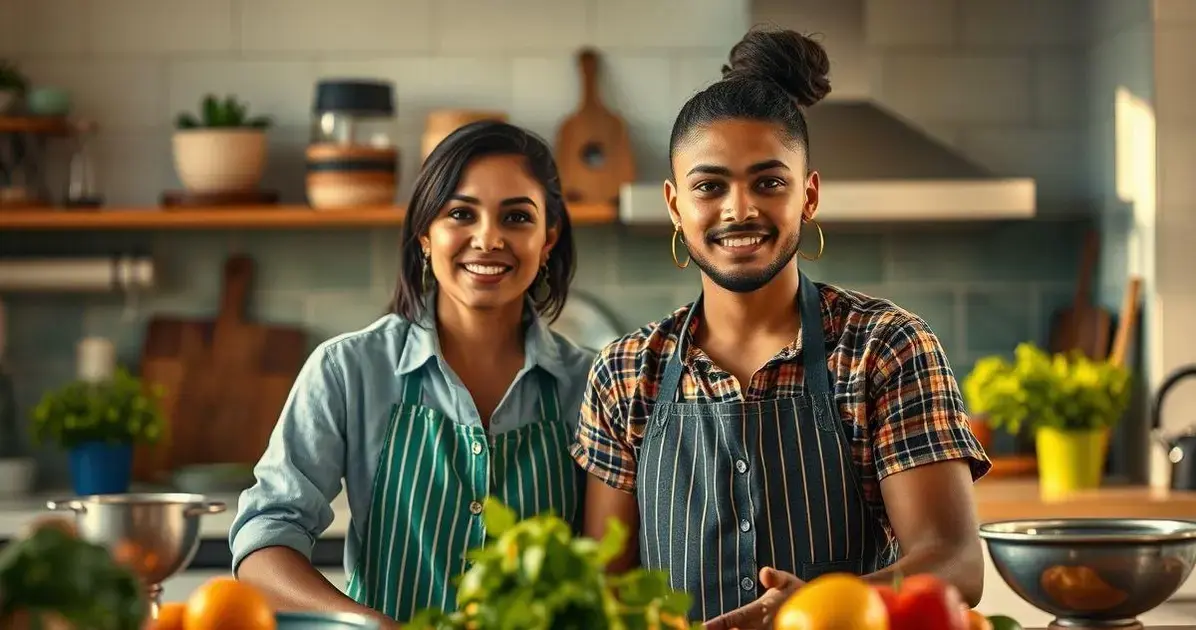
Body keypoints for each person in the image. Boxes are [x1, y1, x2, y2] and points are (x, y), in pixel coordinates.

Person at [569, 27, 992, 630]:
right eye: (709, 186)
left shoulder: (884, 347)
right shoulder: (625, 372)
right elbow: (602, 590)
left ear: (809, 195)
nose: (739, 209)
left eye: (768, 182)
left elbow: (954, 562)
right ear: (674, 204)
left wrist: (812, 608)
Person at [229, 121, 596, 626]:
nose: (488, 239)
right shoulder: (348, 370)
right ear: (425, 233)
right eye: (460, 214)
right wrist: (364, 623)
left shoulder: (594, 385)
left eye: (516, 217)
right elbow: (265, 537)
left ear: (548, 237)